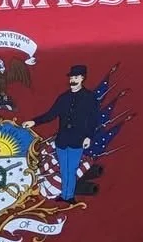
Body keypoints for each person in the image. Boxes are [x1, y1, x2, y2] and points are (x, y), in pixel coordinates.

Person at [28, 64, 100, 201]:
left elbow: (93, 120)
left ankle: (69, 196)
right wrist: (34, 122)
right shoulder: (63, 98)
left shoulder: (90, 98)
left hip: (77, 140)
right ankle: (64, 194)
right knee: (63, 169)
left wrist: (88, 137)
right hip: (62, 140)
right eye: (72, 77)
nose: (73, 80)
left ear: (82, 78)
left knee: (71, 169)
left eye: (76, 77)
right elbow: (51, 114)